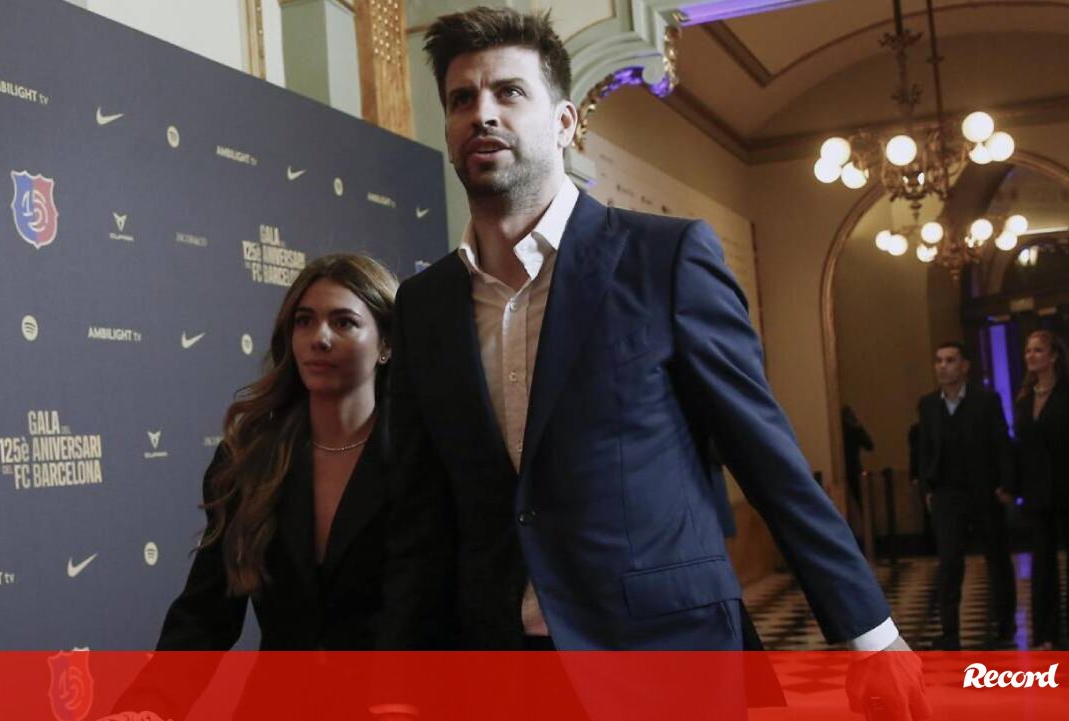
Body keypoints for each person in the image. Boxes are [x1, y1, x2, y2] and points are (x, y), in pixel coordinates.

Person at [378, 6, 925, 717]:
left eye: (509, 92)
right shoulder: (423, 305)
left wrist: (870, 634)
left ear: (565, 122)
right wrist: (398, 683)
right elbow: (419, 516)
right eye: (461, 99)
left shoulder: (664, 258)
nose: (482, 113)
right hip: (499, 666)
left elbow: (765, 456)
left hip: (666, 654)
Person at [116, 253, 399, 718]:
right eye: (304, 321)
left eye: (344, 322)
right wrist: (150, 706)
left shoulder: (419, 457)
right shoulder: (250, 457)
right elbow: (206, 611)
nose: (319, 338)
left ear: (386, 342)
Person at [916, 341, 1016, 650]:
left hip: (983, 490)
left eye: (950, 360)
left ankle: (1005, 625)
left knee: (997, 558)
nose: (943, 366)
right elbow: (925, 447)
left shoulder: (986, 400)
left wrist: (1006, 483)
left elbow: (1001, 442)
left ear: (964, 366)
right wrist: (927, 487)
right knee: (949, 562)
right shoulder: (928, 404)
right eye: (938, 360)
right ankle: (949, 632)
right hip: (947, 493)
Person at [1010, 331, 1069, 649]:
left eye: (1038, 350)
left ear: (1054, 355)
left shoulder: (1065, 394)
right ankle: (1046, 633)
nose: (1031, 356)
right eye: (1028, 351)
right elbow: (1020, 449)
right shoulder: (1024, 400)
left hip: (1065, 486)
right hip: (1036, 492)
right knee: (1042, 564)